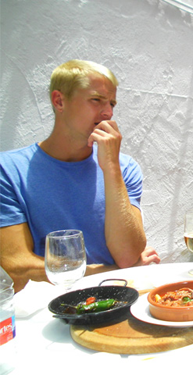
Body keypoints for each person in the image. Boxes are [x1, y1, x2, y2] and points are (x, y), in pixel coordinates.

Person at [0, 59, 160, 292]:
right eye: (96, 100)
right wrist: (110, 272)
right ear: (59, 101)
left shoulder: (124, 167)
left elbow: (127, 256)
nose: (108, 112)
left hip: (118, 302)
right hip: (49, 313)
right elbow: (17, 268)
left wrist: (111, 168)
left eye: (112, 103)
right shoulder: (9, 170)